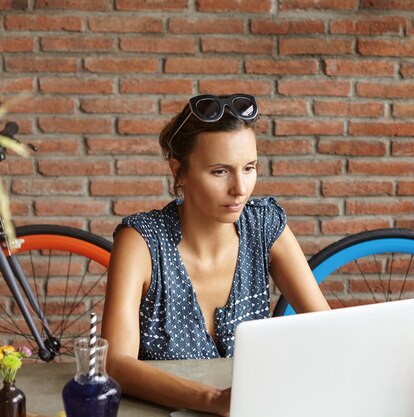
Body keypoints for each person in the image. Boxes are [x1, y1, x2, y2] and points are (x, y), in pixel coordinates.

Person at [101, 93, 330, 416]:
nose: (240, 188)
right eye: (220, 172)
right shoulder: (140, 242)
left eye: (248, 168)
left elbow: (329, 329)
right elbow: (115, 363)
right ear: (179, 171)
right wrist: (212, 400)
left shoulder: (265, 225)